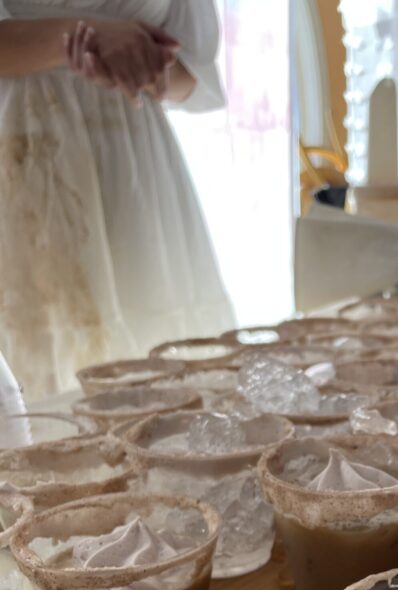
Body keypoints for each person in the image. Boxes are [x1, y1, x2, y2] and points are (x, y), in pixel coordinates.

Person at [0, 1, 235, 398]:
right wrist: (87, 37)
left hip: (136, 167)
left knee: (164, 389)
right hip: (26, 152)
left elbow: (192, 76)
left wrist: (141, 62)